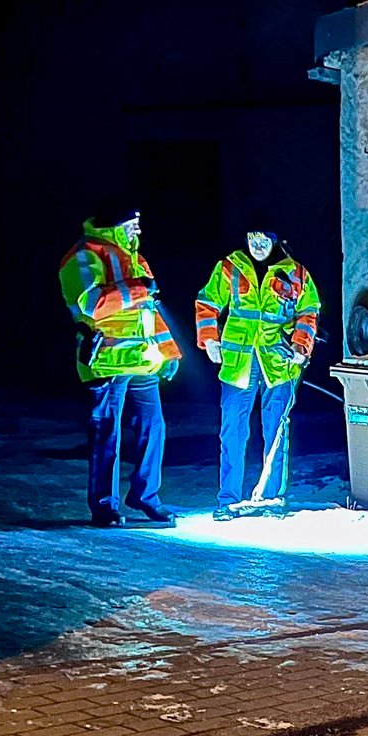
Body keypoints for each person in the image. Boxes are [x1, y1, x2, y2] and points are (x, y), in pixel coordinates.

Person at [59, 200, 181, 527]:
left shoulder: (135, 257)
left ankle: (145, 496)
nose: (138, 230)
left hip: (143, 362)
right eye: (132, 223)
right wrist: (139, 288)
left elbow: (150, 313)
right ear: (115, 225)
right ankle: (104, 507)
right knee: (107, 435)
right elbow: (91, 304)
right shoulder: (84, 255)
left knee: (154, 429)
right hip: (107, 363)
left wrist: (169, 352)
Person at [196, 230, 321, 513]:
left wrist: (301, 346)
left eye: (263, 239)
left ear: (275, 240)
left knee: (276, 432)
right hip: (238, 363)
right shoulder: (230, 267)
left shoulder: (296, 273)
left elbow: (308, 312)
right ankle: (228, 499)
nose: (258, 245)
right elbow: (207, 303)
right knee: (232, 432)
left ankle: (271, 499)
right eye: (252, 239)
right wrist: (210, 340)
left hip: (278, 364)